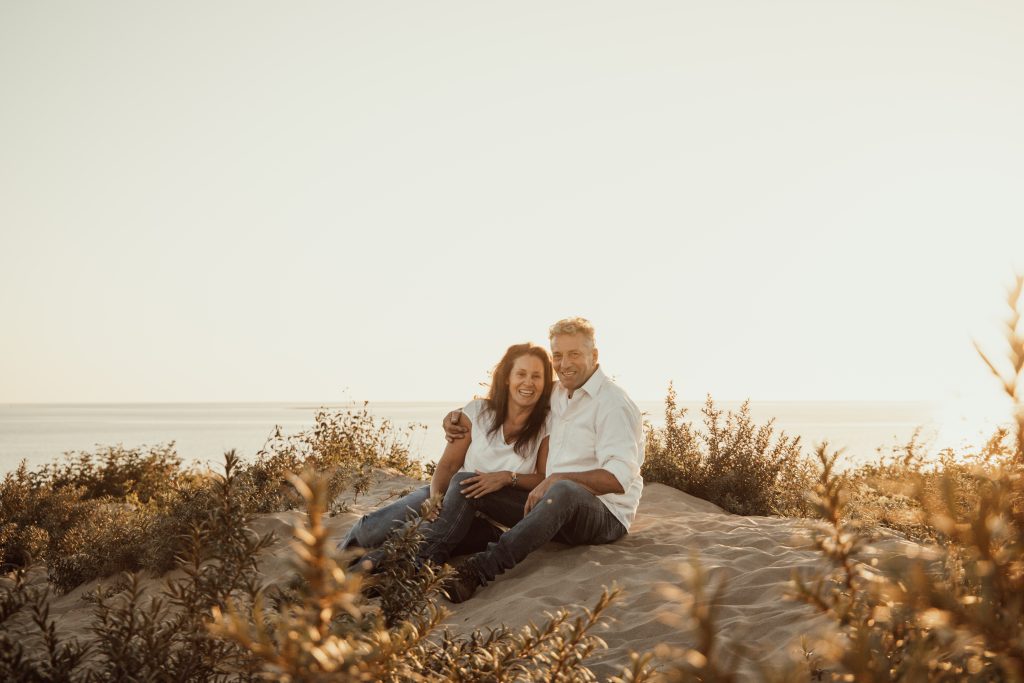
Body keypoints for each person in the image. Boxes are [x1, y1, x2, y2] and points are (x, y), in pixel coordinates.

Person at [423, 317, 644, 602]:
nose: (564, 364)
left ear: (594, 356)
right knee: (467, 482)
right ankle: (420, 564)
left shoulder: (613, 404)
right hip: (548, 507)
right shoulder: (558, 391)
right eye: (558, 356)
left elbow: (617, 480)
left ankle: (477, 572)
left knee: (563, 491)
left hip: (603, 515)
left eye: (574, 354)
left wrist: (558, 479)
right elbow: (514, 395)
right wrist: (456, 416)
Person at [339, 342, 554, 559]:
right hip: (450, 493)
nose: (528, 382)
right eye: (521, 374)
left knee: (407, 538)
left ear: (545, 383)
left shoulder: (547, 425)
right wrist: (435, 499)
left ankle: (364, 577)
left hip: (488, 519)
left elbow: (543, 478)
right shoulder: (478, 412)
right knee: (371, 528)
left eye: (536, 376)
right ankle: (330, 562)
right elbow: (448, 465)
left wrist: (507, 478)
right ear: (507, 377)